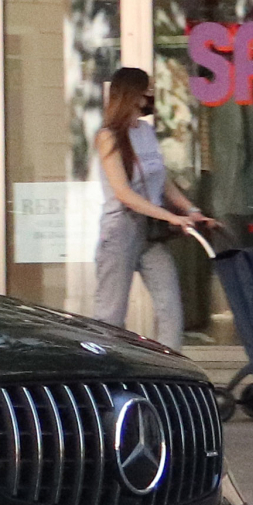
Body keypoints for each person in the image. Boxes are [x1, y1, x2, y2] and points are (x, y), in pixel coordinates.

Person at [93, 66, 217, 350]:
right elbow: (124, 193)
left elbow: (162, 181)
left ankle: (169, 372)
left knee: (170, 307)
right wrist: (170, 216)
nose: (152, 95)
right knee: (110, 315)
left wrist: (190, 210)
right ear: (133, 95)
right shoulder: (108, 136)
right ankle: (106, 375)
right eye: (147, 90)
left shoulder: (146, 131)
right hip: (121, 230)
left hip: (151, 231)